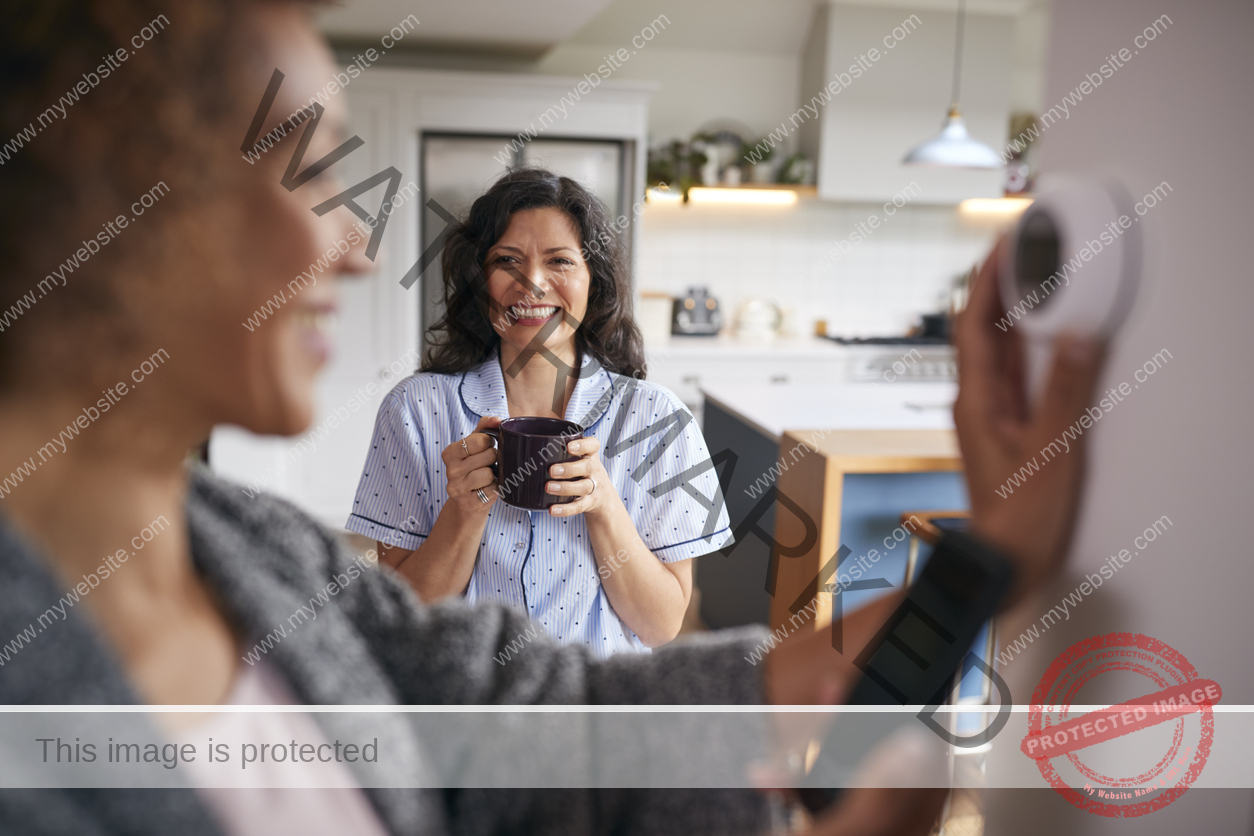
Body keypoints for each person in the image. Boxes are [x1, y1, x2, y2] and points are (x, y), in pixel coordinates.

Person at [0, 0, 1106, 834]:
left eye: (561, 263)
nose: (357, 244)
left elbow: (581, 705)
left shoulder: (261, 554)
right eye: (302, 176)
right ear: (123, 200)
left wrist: (985, 564)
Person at [347, 168, 728, 654]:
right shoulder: (415, 409)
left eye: (560, 261)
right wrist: (464, 510)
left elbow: (662, 626)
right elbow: (402, 617)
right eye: (507, 260)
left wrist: (604, 504)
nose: (532, 282)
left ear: (595, 282)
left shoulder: (656, 420)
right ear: (479, 280)